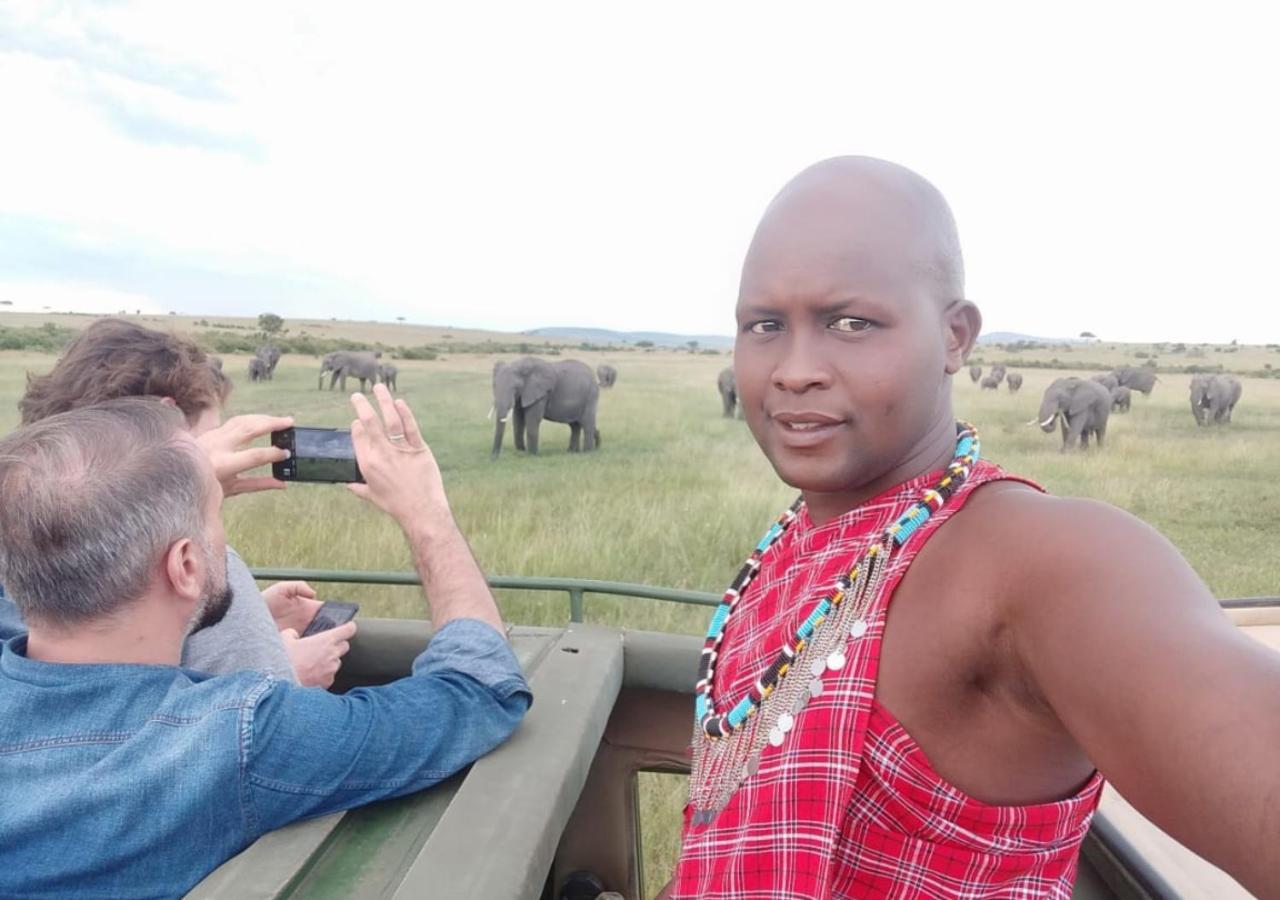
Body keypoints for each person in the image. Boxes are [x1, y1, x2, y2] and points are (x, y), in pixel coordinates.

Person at [665, 157, 1280, 898]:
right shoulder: (802, 538)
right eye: (764, 325)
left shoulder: (1039, 563)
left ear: (955, 336)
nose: (795, 370)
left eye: (851, 323)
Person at [0, 387, 531, 896]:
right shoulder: (237, 737)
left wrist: (135, 487)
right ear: (185, 565)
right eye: (216, 513)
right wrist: (428, 515)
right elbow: (478, 690)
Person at [3, 318, 352, 687]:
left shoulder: (18, 538)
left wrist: (232, 612)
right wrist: (290, 672)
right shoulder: (195, 558)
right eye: (211, 435)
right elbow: (255, 727)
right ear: (168, 418)